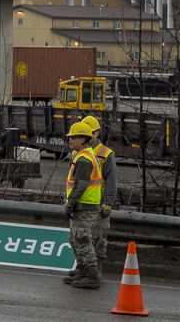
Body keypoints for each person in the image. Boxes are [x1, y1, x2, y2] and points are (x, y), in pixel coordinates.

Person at [62, 121, 104, 289]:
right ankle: (83, 271)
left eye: (73, 138)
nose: (70, 141)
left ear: (82, 139)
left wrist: (70, 204)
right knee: (74, 239)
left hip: (84, 206)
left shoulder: (85, 158)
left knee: (82, 240)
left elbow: (80, 185)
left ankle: (92, 276)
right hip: (83, 205)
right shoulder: (82, 155)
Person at [81, 115, 117, 275]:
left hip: (99, 203)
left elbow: (111, 180)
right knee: (81, 237)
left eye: (91, 133)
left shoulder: (105, 154)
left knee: (98, 236)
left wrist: (108, 202)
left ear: (97, 133)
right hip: (83, 202)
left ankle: (97, 269)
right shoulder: (79, 152)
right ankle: (83, 268)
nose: (88, 137)